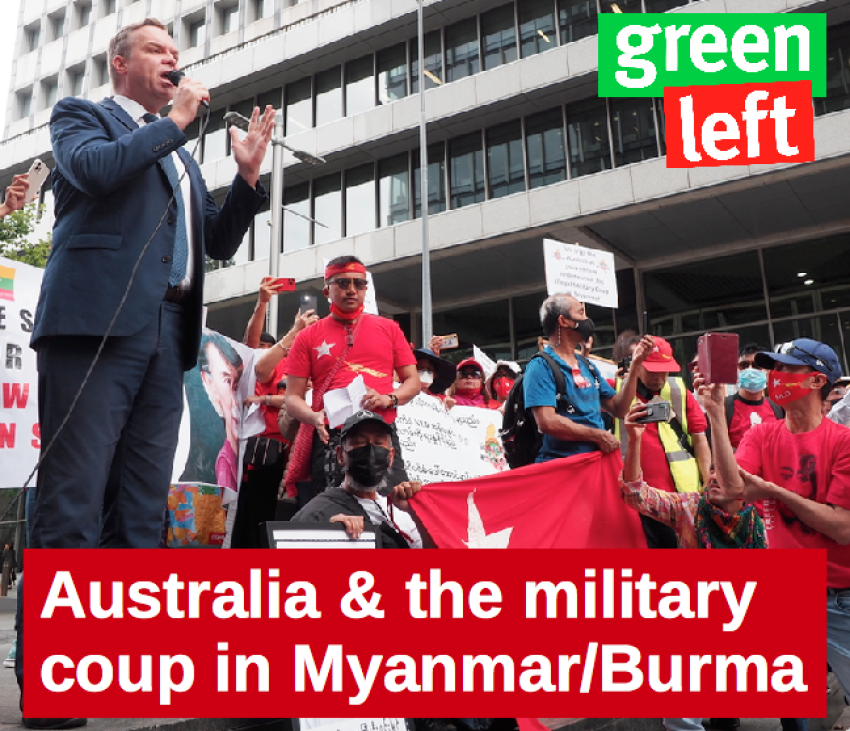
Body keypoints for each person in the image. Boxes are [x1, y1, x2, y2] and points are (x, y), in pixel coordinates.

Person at [23, 18, 273, 727]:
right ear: (120, 63)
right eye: (161, 50)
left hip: (168, 338)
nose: (174, 59)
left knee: (139, 509)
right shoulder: (85, 119)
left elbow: (216, 241)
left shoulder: (182, 157)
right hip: (94, 329)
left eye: (177, 53)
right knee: (74, 497)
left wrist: (246, 178)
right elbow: (97, 172)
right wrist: (182, 120)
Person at [700, 338, 850, 699]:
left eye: (785, 368)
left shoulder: (843, 442)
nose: (773, 376)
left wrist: (773, 491)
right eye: (773, 368)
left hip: (839, 595)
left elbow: (843, 528)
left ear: (816, 381)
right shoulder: (761, 433)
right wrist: (716, 414)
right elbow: (732, 496)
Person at [284, 256, 420, 503]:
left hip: (381, 434)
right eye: (343, 283)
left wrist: (389, 398)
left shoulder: (389, 328)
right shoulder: (307, 337)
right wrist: (314, 417)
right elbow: (292, 396)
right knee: (332, 517)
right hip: (332, 437)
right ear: (327, 290)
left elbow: (412, 381)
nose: (352, 290)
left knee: (393, 511)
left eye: (359, 284)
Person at [524, 294, 653, 463]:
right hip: (563, 467)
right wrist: (597, 435)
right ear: (564, 321)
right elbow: (547, 422)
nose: (587, 320)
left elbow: (619, 409)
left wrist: (635, 366)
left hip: (595, 462)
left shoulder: (587, 365)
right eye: (581, 313)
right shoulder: (540, 366)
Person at [231, 306, 318, 548]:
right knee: (255, 516)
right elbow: (257, 364)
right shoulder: (278, 361)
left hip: (299, 453)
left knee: (287, 516)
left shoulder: (314, 364)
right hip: (266, 451)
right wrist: (265, 304)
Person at [613, 336, 712, 548]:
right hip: (636, 499)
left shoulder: (678, 390)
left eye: (664, 370)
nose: (659, 377)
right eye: (651, 370)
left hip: (681, 498)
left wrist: (707, 484)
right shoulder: (616, 390)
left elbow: (700, 437)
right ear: (636, 365)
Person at [291, 410, 426, 548]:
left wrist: (417, 513)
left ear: (391, 456)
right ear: (340, 455)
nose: (371, 451)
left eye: (379, 443)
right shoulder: (320, 511)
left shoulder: (400, 510)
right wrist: (331, 536)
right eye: (359, 443)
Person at [198, 333, 244, 493]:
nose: (234, 395)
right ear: (208, 383)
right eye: (226, 380)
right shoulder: (224, 463)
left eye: (238, 382)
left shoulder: (235, 455)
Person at [724, 342, 783, 449]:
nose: (750, 370)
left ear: (768, 371)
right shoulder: (724, 408)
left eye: (756, 366)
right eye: (744, 365)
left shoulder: (779, 408)